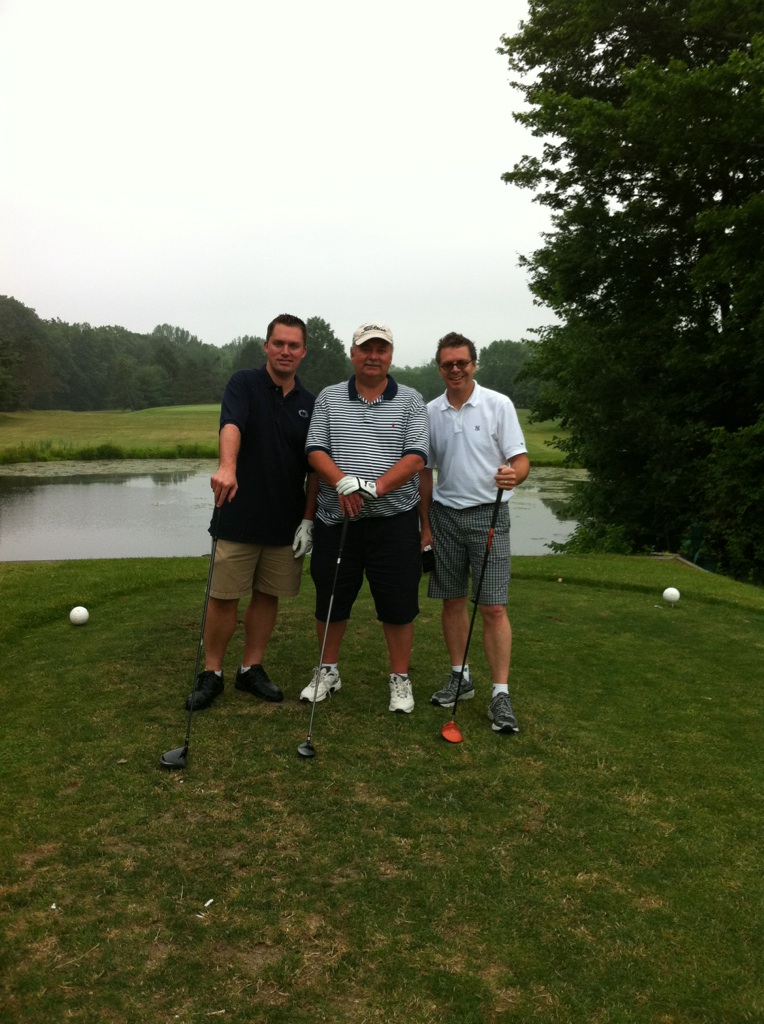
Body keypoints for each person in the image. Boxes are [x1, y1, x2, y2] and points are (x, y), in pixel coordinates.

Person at [184, 313, 318, 711]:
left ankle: (250, 668)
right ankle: (212, 672)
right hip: (238, 514)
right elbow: (231, 425)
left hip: (284, 520)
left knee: (267, 595)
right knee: (224, 597)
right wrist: (227, 467)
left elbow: (314, 468)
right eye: (279, 343)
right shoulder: (244, 383)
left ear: (303, 352)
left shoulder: (310, 403)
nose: (285, 351)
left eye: (293, 345)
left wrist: (308, 519)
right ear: (266, 346)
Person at [300, 321, 429, 713]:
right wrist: (342, 483)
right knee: (331, 599)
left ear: (390, 355)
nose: (374, 356)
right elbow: (315, 450)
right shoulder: (329, 397)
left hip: (394, 521)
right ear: (353, 353)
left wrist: (374, 486)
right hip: (337, 522)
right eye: (366, 349)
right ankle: (328, 671)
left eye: (381, 349)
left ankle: (400, 678)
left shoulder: (411, 400)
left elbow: (416, 457)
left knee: (398, 604)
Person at [419, 331, 530, 734]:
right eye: (447, 364)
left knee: (493, 607)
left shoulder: (498, 404)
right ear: (439, 368)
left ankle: (500, 693)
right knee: (451, 601)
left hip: (490, 515)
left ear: (473, 364)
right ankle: (460, 676)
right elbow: (425, 473)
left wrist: (513, 476)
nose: (455, 369)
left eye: (461, 363)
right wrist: (425, 526)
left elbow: (520, 461)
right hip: (445, 516)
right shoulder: (430, 411)